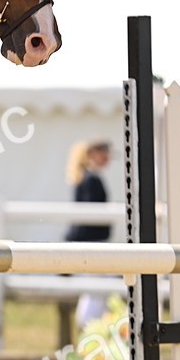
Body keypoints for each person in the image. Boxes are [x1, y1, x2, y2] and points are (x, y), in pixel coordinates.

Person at [63, 139, 113, 329]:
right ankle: (91, 328)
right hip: (92, 241)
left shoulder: (84, 176)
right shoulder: (91, 179)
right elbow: (90, 214)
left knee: (96, 291)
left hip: (89, 240)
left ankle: (93, 329)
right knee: (96, 292)